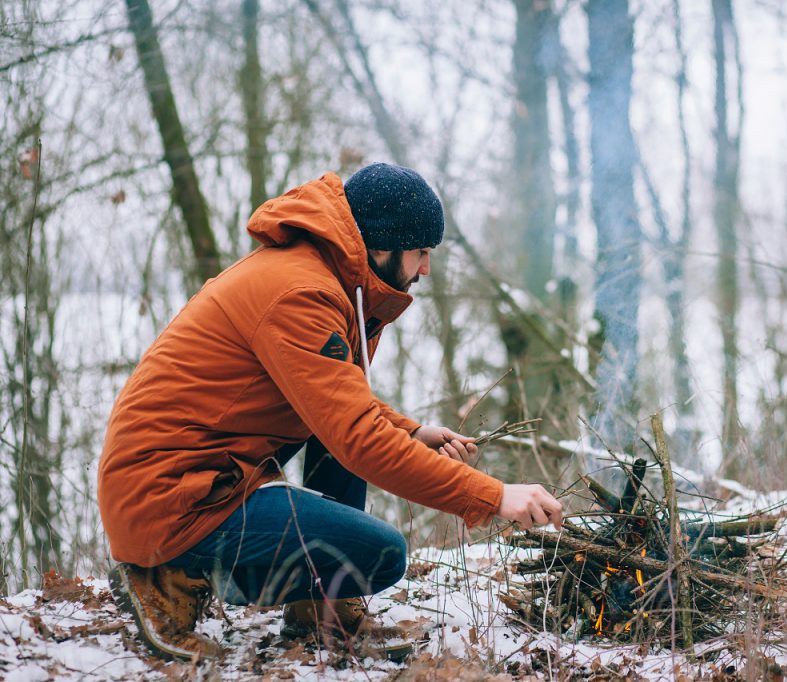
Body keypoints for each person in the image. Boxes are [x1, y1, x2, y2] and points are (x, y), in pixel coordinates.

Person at [98, 163, 563, 661]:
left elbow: (336, 397)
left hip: (202, 476)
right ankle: (165, 576)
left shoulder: (327, 278)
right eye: (421, 252)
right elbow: (358, 436)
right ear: (382, 246)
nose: (425, 268)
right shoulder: (301, 293)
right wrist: (493, 498)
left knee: (337, 437)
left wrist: (410, 430)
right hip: (171, 497)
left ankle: (320, 611)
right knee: (381, 553)